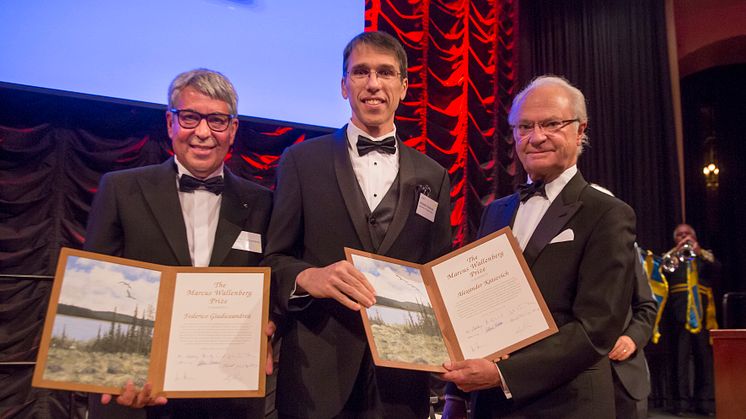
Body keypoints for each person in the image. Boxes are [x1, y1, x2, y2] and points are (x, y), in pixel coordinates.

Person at [263, 31, 452, 418]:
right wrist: (307, 278)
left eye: (385, 73)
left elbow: (439, 273)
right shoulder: (301, 162)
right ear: (344, 85)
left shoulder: (434, 175)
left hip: (401, 381)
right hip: (317, 373)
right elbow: (274, 260)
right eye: (360, 72)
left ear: (403, 86)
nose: (373, 84)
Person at [441, 75, 637, 418]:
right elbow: (473, 308)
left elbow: (597, 328)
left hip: (568, 405)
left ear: (580, 131)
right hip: (491, 406)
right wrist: (455, 394)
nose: (536, 137)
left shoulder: (608, 213)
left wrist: (503, 375)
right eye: (524, 126)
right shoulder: (496, 210)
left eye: (551, 124)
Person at [84, 68, 274, 419]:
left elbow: (273, 283)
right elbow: (95, 285)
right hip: (136, 396)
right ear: (170, 123)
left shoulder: (263, 202)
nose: (203, 132)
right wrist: (113, 371)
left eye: (217, 120)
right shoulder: (121, 190)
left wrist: (269, 326)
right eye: (190, 117)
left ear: (232, 130)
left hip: (227, 397)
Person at [663, 223, 719, 416]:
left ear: (694, 237)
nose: (684, 237)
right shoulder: (671, 257)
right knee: (680, 361)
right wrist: (676, 253)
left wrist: (699, 252)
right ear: (675, 239)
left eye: (687, 234)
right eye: (680, 235)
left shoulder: (705, 256)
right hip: (678, 316)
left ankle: (704, 403)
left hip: (703, 316)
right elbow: (662, 274)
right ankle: (681, 404)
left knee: (704, 360)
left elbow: (717, 271)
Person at [608, 244, 657, 419]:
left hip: (624, 375)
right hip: (574, 381)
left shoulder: (628, 247)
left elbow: (647, 307)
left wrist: (632, 338)